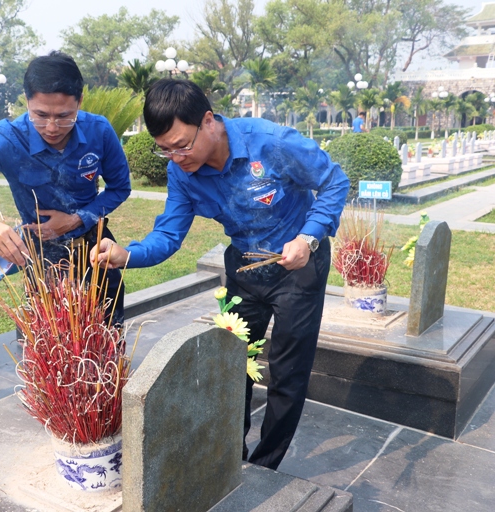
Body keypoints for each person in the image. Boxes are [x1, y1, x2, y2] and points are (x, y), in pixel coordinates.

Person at [92, 79, 349, 470]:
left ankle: (265, 466)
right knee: (232, 364)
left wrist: (308, 237)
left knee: (287, 371)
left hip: (298, 265)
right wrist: (127, 254)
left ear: (208, 121)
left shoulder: (272, 143)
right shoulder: (182, 172)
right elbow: (169, 233)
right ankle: (231, 456)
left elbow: (334, 181)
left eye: (182, 145)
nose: (176, 158)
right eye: (165, 149)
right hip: (245, 267)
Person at [0, 51, 131, 325]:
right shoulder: (8, 138)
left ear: (79, 101)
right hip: (42, 259)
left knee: (107, 332)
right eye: (40, 115)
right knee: (52, 339)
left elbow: (120, 188)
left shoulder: (99, 131)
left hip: (95, 250)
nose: (52, 127)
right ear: (27, 101)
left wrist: (77, 219)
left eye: (64, 116)